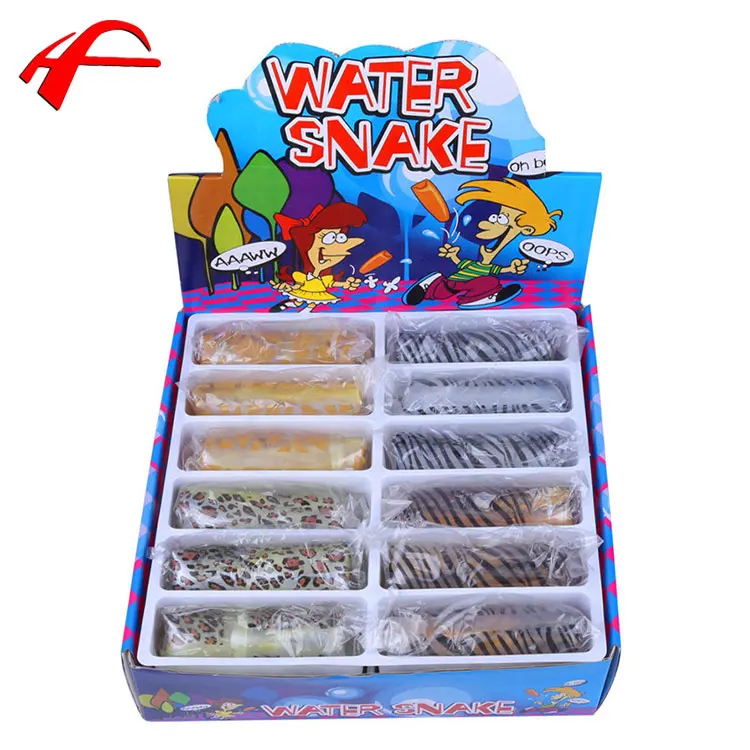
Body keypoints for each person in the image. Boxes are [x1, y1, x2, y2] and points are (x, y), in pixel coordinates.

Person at [403, 178, 562, 309]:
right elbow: (476, 265)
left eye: (501, 218)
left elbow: (471, 264)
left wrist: (511, 268)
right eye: (499, 217)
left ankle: (433, 287)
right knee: (489, 282)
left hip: (457, 281)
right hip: (461, 281)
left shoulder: (488, 254)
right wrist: (454, 255)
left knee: (445, 292)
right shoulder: (483, 256)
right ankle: (438, 289)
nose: (489, 223)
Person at [270, 203, 366, 312]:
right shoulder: (304, 275)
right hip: (303, 293)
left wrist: (346, 284)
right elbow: (299, 284)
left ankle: (306, 310)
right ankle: (291, 304)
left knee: (311, 303)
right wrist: (289, 287)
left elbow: (331, 283)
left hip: (319, 297)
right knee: (299, 300)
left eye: (340, 238)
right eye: (328, 238)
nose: (332, 250)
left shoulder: (325, 276)